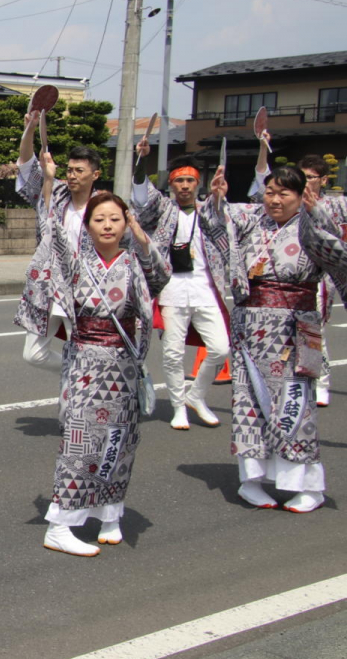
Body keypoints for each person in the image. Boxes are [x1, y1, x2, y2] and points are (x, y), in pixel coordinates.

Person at [33, 149, 171, 556]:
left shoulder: (134, 261)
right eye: (99, 219)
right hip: (86, 363)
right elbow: (51, 230)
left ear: (125, 223)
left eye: (115, 218)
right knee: (81, 440)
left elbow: (161, 276)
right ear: (88, 226)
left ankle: (110, 512)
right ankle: (61, 522)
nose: (107, 225)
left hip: (124, 365)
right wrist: (48, 179)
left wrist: (142, 238)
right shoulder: (76, 261)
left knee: (121, 439)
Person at [203, 164, 347, 513]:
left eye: (285, 193)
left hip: (294, 329)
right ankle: (250, 481)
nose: (275, 200)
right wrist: (217, 196)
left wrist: (315, 215)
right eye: (270, 192)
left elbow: (337, 254)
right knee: (249, 404)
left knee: (295, 405)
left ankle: (307, 485)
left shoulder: (312, 223)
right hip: (250, 325)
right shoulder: (252, 218)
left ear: (301, 196)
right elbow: (215, 222)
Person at [131, 143, 230, 430]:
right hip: (172, 291)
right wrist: (141, 161)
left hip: (205, 291)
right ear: (171, 183)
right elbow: (140, 195)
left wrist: (219, 196)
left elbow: (226, 223)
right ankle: (178, 408)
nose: (184, 186)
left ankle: (196, 396)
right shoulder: (162, 209)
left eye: (190, 180)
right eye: (178, 180)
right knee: (173, 354)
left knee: (220, 349)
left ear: (198, 183)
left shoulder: (210, 210)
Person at [248, 142, 344, 408]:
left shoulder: (335, 205)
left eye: (312, 177)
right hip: (281, 280)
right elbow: (260, 194)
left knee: (314, 329)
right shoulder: (276, 208)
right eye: (304, 175)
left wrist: (316, 213)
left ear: (323, 179)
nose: (308, 181)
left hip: (317, 277)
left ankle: (319, 381)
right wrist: (263, 149)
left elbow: (334, 237)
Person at [14, 111, 104, 371]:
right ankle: (82, 372)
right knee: (34, 354)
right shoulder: (58, 192)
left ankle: (82, 389)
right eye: (70, 170)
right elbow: (26, 163)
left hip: (86, 290)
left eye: (80, 171)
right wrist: (30, 128)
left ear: (94, 175)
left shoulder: (103, 206)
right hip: (50, 287)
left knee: (83, 346)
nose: (73, 175)